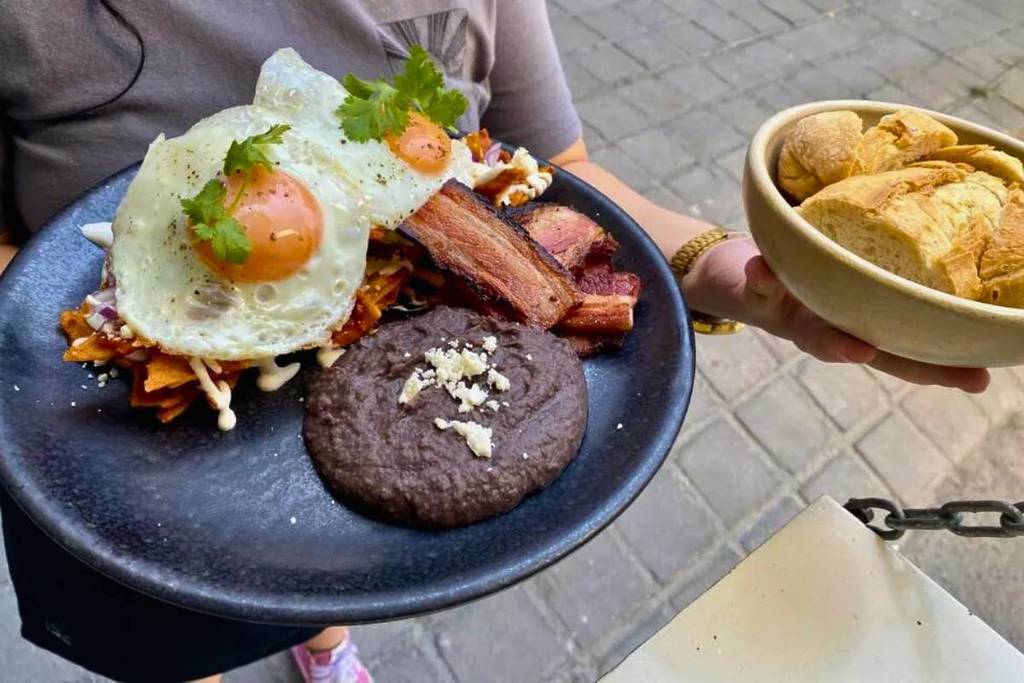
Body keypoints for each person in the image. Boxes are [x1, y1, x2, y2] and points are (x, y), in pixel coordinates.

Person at [0, 2, 990, 682]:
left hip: (350, 439)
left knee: (325, 571)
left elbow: (559, 167)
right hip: (103, 462)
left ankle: (325, 641)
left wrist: (725, 265)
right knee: (166, 638)